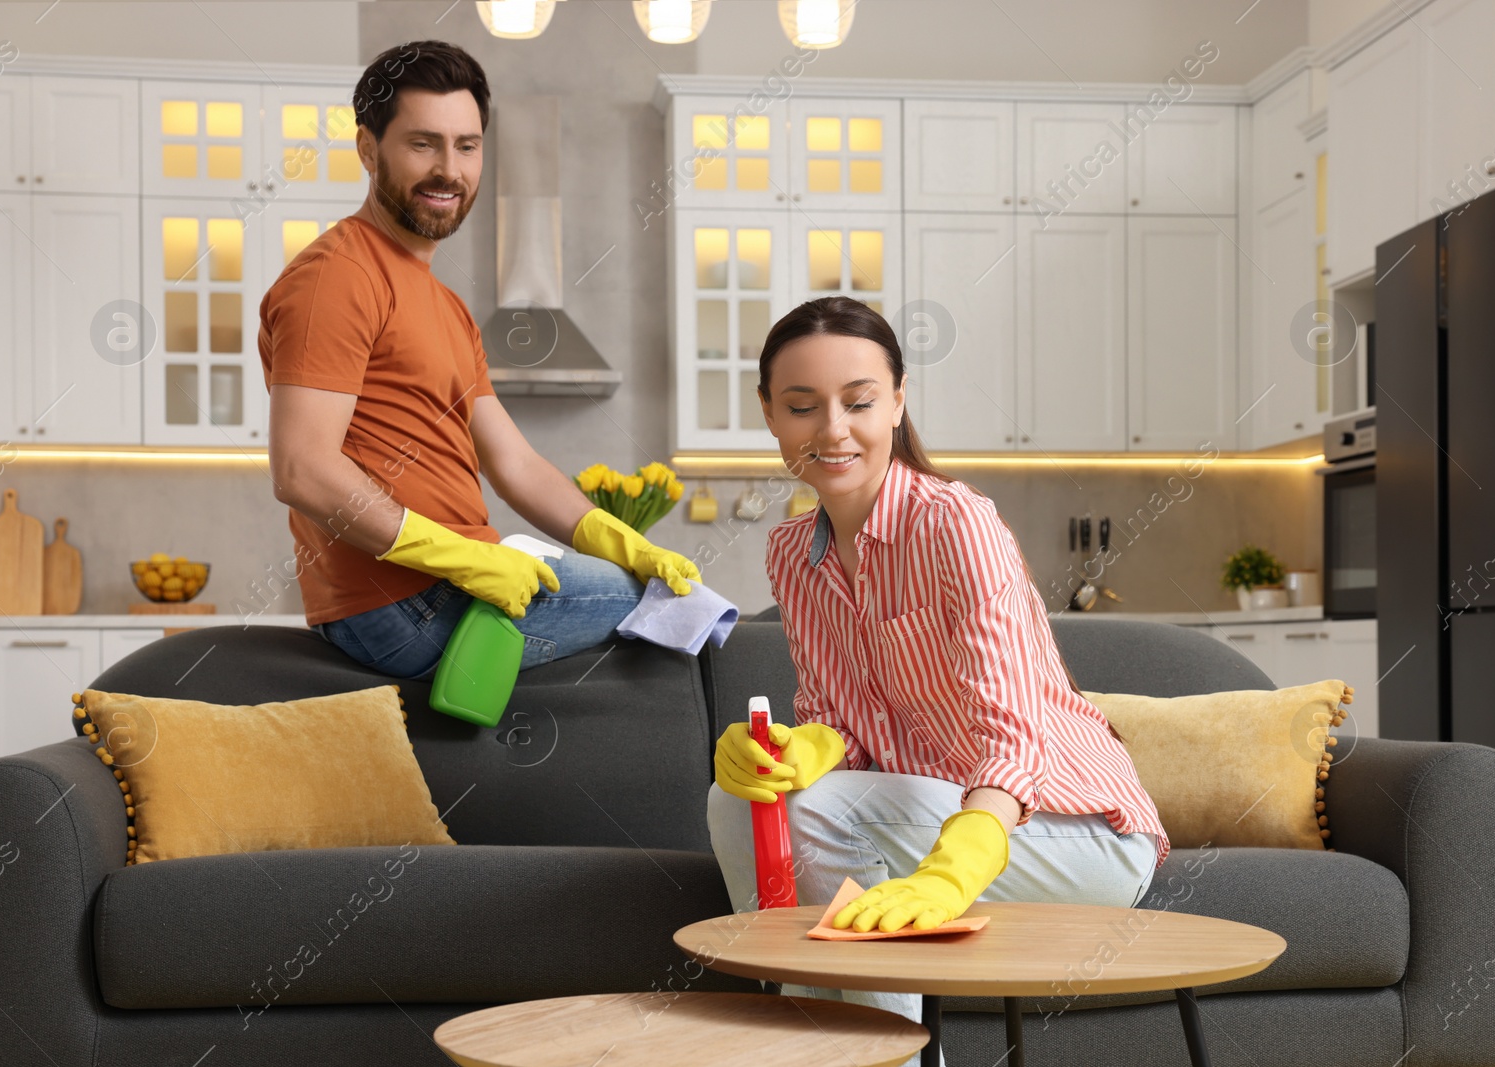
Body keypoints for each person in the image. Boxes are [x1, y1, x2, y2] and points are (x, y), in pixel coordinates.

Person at [707, 296, 1168, 1060]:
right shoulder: (793, 553)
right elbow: (840, 720)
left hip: (1070, 832)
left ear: (896, 401)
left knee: (825, 815)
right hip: (920, 814)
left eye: (858, 402)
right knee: (735, 805)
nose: (832, 430)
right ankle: (810, 1046)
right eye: (801, 406)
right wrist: (796, 750)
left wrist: (958, 867)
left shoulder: (956, 522)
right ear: (769, 413)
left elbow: (1014, 737)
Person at [258, 40, 698, 680]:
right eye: (422, 143)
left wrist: (620, 541)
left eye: (467, 146)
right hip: (400, 601)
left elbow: (514, 463)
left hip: (446, 581)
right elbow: (302, 470)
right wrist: (458, 556)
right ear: (366, 148)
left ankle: (480, 722)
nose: (448, 169)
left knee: (661, 596)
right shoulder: (337, 278)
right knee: (672, 615)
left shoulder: (445, 306)